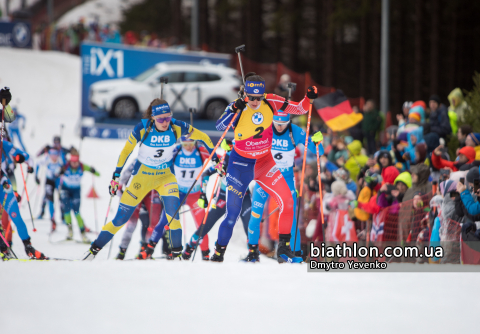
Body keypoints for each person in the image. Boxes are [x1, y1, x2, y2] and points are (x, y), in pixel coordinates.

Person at [83, 99, 215, 260]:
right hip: (141, 179)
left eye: (168, 117)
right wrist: (116, 176)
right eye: (160, 119)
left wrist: (213, 154)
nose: (165, 122)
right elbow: (126, 152)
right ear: (153, 117)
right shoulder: (142, 129)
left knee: (173, 216)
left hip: (165, 178)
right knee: (120, 219)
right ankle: (93, 251)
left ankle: (178, 257)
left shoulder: (176, 127)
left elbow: (202, 136)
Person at [212, 73, 318, 263]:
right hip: (240, 165)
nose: (254, 101)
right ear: (245, 94)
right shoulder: (239, 106)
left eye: (258, 97)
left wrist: (308, 98)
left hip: (264, 163)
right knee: (233, 214)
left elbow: (300, 108)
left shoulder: (272, 101)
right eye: (250, 97)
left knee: (288, 201)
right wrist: (234, 109)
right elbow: (220, 126)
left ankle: (284, 248)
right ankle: (219, 251)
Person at [243, 110, 323, 262]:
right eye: (277, 124)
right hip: (266, 178)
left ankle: (295, 254)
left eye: (283, 124)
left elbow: (318, 151)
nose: (279, 128)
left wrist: (317, 142)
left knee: (291, 217)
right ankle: (252, 253)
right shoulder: (265, 129)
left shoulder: (295, 131)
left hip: (286, 179)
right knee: (255, 216)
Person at [137, 135, 211, 260]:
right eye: (185, 144)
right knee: (164, 221)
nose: (188, 147)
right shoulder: (176, 150)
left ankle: (206, 254)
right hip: (177, 194)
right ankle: (149, 249)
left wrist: (222, 164)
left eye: (191, 143)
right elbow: (159, 158)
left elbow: (219, 159)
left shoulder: (200, 150)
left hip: (195, 195)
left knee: (202, 226)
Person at [0, 87, 47, 260]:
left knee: (14, 214)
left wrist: (7, 105)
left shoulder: (2, 142)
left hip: (2, 181)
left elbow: (10, 118)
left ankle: (27, 247)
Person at [114, 159, 162, 260]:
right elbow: (126, 173)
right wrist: (120, 186)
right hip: (136, 191)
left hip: (151, 193)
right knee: (131, 224)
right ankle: (122, 251)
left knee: (152, 223)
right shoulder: (140, 159)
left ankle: (146, 251)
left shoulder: (161, 160)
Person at [58, 149, 99, 243]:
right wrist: (59, 172)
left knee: (77, 212)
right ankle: (70, 231)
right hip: (66, 190)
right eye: (73, 162)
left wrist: (93, 170)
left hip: (76, 191)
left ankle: (83, 234)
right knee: (67, 210)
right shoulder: (66, 166)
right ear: (70, 161)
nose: (75, 164)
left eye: (76, 162)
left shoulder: (82, 166)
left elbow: (98, 174)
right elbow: (55, 173)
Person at [37, 136, 74, 218]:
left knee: (61, 197)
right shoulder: (50, 149)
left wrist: (72, 150)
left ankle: (63, 216)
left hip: (58, 179)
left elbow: (67, 164)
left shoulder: (62, 151)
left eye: (58, 143)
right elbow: (38, 155)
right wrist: (44, 149)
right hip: (49, 179)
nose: (57, 144)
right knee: (47, 196)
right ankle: (43, 212)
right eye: (55, 142)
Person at [35, 148, 65, 231]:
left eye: (55, 155)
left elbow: (66, 167)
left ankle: (63, 217)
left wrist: (62, 171)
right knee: (49, 199)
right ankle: (52, 219)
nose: (53, 157)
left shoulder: (60, 159)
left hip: (58, 181)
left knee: (61, 198)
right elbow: (37, 164)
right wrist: (36, 176)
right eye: (52, 155)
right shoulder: (47, 159)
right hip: (49, 181)